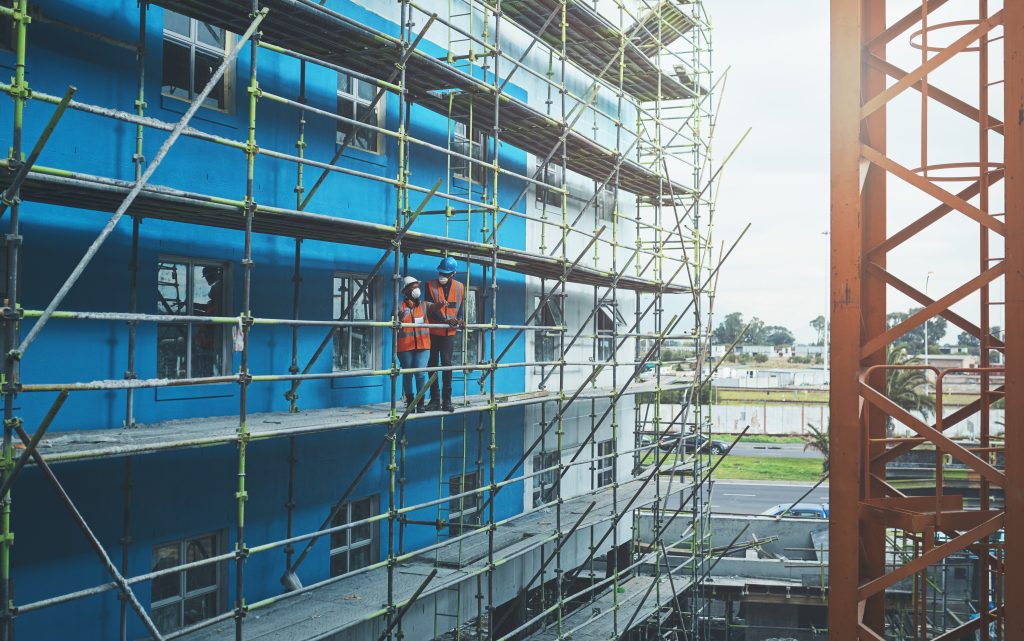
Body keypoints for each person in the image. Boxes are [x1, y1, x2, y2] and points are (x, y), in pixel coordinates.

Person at [424, 256, 466, 412]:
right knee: (432, 365)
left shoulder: (461, 287)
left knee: (447, 365)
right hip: (434, 331)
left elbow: (461, 307)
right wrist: (445, 320)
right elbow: (429, 308)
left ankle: (447, 401)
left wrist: (460, 319)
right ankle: (435, 400)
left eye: (446, 273)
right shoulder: (430, 286)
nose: (442, 276)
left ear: (453, 273)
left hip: (449, 333)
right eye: (441, 272)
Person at [396, 276, 431, 413]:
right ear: (405, 291)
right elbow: (393, 320)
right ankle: (410, 403)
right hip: (405, 347)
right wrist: (401, 315)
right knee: (408, 374)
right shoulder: (400, 306)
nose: (416, 290)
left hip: (423, 346)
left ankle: (420, 403)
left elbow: (435, 309)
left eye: (417, 287)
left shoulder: (424, 305)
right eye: (413, 288)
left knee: (420, 374)